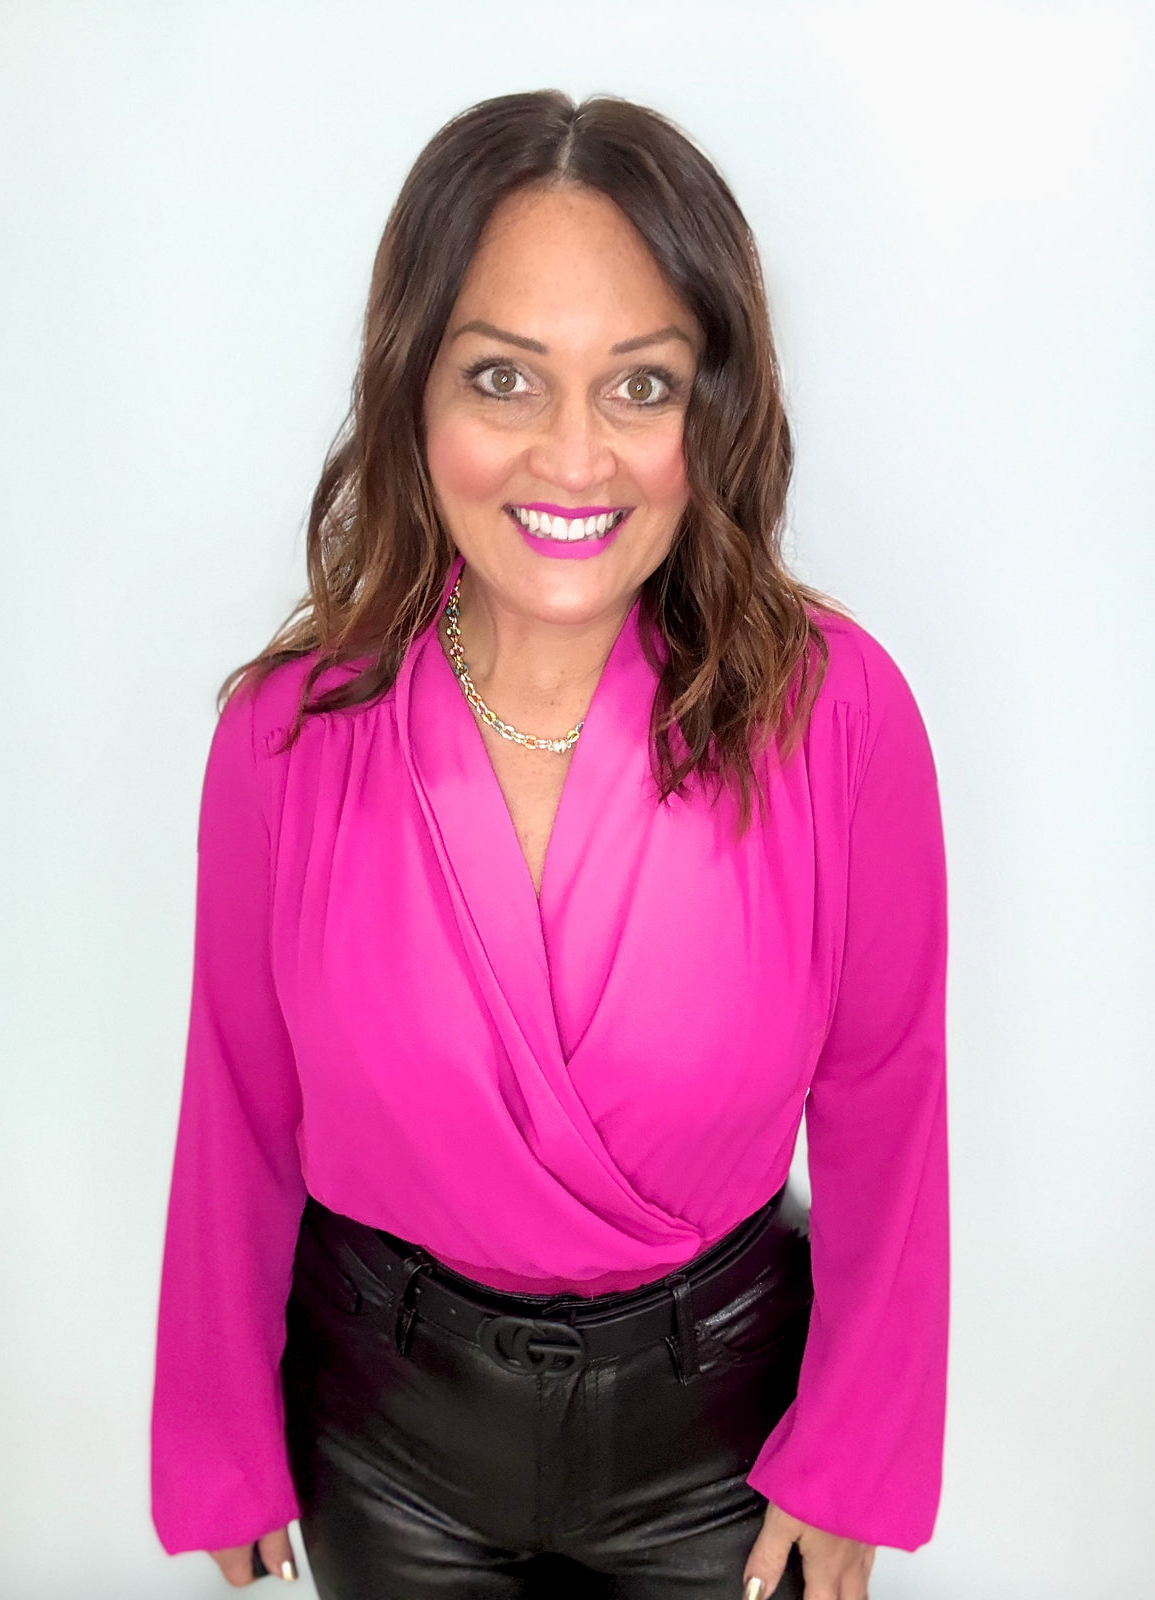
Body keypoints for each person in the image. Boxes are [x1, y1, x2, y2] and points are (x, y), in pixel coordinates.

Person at [150, 91, 949, 1600]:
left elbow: (888, 1108)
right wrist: (220, 1435)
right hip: (383, 1442)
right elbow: (238, 1106)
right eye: (506, 377)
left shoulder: (836, 715)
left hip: (726, 1441)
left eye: (639, 387)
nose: (571, 457)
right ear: (414, 392)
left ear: (711, 409)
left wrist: (852, 1459)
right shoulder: (283, 737)